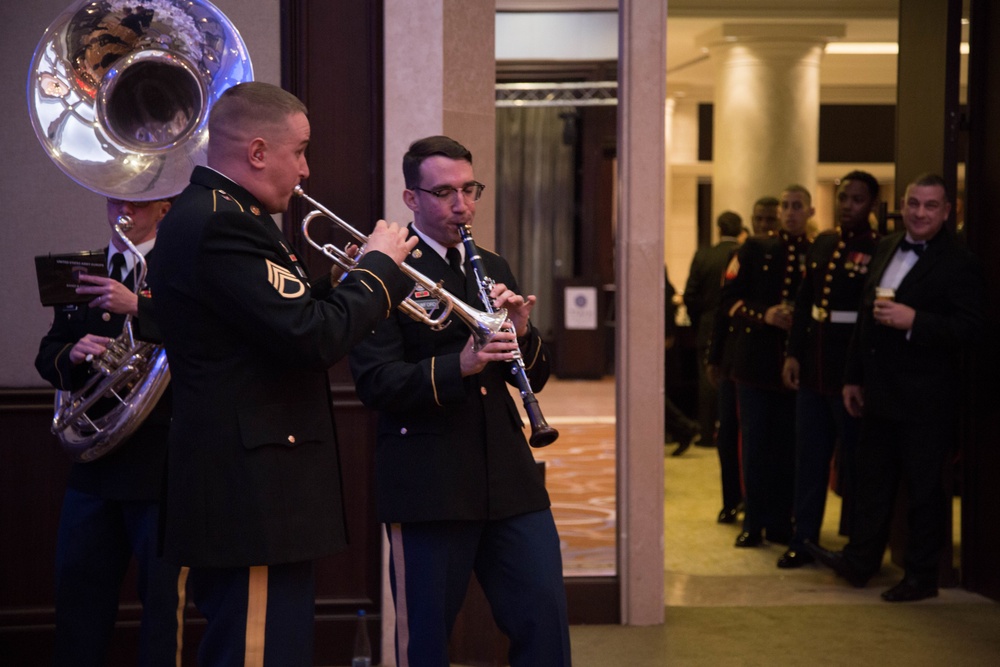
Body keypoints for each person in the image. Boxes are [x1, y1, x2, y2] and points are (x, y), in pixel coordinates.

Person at [146, 81, 417, 665]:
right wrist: (376, 273)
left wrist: (349, 284)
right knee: (255, 651)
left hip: (260, 485)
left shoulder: (227, 217)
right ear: (259, 152)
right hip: (253, 491)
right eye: (300, 151)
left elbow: (280, 318)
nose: (307, 170)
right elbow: (310, 337)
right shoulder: (222, 222)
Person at [349, 136, 572, 666]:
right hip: (429, 481)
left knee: (545, 622)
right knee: (424, 643)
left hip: (508, 476)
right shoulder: (383, 267)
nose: (463, 205)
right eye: (445, 191)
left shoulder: (491, 264)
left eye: (470, 189)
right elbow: (376, 382)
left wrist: (522, 330)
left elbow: (531, 377)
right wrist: (462, 365)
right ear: (411, 199)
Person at [808, 173, 984, 602]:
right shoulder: (885, 246)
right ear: (902, 206)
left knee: (924, 489)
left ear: (947, 211)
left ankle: (922, 576)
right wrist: (852, 377)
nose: (919, 213)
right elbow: (864, 320)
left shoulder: (960, 262)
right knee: (872, 481)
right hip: (879, 391)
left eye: (930, 206)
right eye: (913, 204)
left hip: (926, 398)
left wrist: (915, 321)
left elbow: (971, 329)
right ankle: (860, 561)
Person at [35, 196, 185, 666]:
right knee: (78, 598)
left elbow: (207, 338)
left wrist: (136, 306)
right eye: (115, 195)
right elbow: (48, 356)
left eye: (137, 201)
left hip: (159, 465)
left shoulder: (184, 267)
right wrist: (73, 354)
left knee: (162, 607)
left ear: (163, 207)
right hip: (94, 468)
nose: (123, 207)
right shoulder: (82, 269)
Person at [777, 171, 880, 569]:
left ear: (870, 204)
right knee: (810, 458)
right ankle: (802, 538)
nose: (848, 205)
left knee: (854, 461)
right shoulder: (822, 243)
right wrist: (792, 354)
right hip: (814, 369)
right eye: (843, 197)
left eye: (857, 199)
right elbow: (804, 305)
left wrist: (861, 373)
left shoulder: (876, 248)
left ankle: (855, 544)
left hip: (849, 373)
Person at [717, 185, 812, 547]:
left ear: (810, 212)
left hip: (795, 366)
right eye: (785, 205)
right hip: (754, 365)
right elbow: (728, 301)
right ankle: (753, 522)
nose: (789, 213)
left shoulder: (816, 252)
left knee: (788, 449)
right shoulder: (753, 249)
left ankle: (781, 523)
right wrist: (765, 314)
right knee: (754, 448)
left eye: (796, 206)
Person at [683, 211, 742, 447]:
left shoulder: (704, 255)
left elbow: (690, 295)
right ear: (741, 230)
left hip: (707, 324)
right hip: (738, 325)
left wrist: (700, 320)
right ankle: (732, 432)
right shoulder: (744, 255)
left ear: (719, 228)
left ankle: (707, 433)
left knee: (707, 379)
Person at [666, 266, 701, 456]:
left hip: (656, 338)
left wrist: (667, 331)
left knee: (649, 393)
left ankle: (684, 427)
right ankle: (682, 428)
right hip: (661, 335)